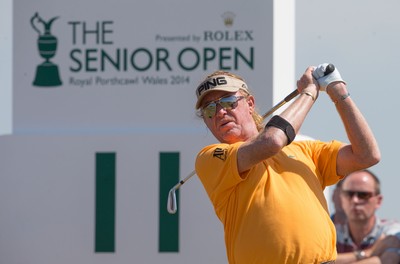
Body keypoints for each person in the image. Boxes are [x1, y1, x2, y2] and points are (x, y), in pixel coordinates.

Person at [194, 63, 381, 263]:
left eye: (229, 101)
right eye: (210, 109)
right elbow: (272, 141)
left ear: (250, 104)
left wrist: (338, 92)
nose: (220, 112)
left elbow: (367, 155)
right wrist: (309, 93)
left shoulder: (305, 149)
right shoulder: (211, 158)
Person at [335, 169, 400, 263]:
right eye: (349, 194)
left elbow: (388, 261)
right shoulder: (328, 230)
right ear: (341, 199)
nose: (355, 200)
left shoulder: (391, 232)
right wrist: (368, 253)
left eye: (363, 195)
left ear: (379, 201)